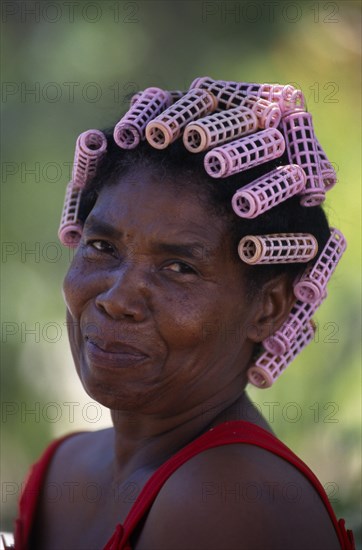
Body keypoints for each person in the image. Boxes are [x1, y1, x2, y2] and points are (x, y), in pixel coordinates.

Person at [13, 78, 355, 549]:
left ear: (269, 309)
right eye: (101, 246)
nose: (118, 298)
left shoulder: (227, 502)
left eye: (179, 267)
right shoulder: (61, 469)